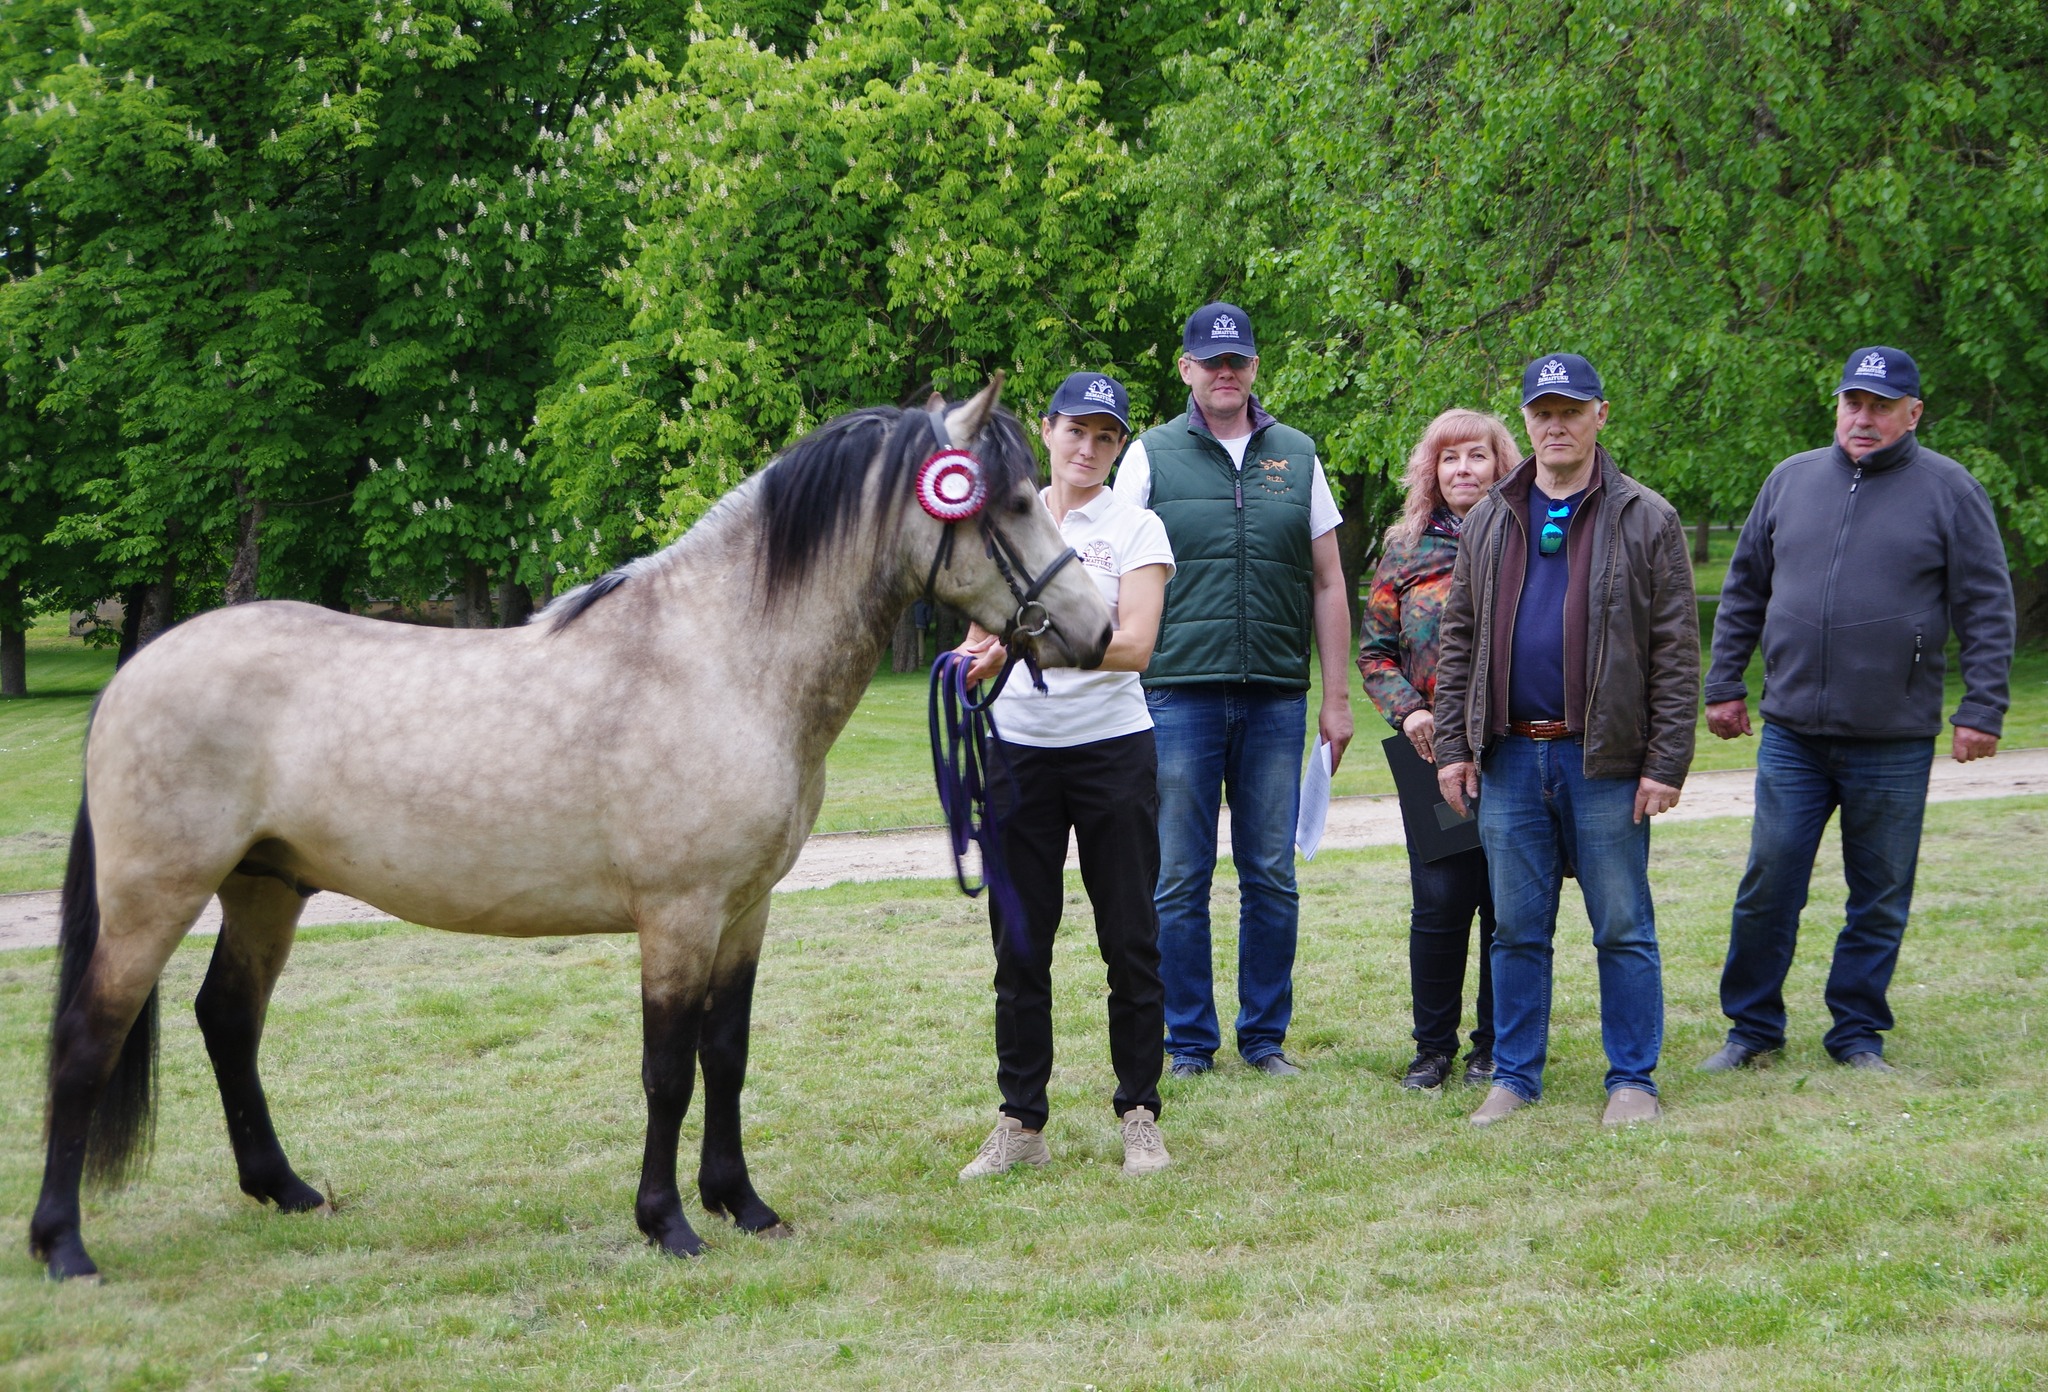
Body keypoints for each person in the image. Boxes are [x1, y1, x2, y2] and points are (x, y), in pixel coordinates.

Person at [1699, 346, 2015, 1075]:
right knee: (1768, 883)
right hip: (1792, 736)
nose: (1863, 418)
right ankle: (1752, 1029)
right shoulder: (1791, 481)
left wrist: (1985, 707)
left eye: (1880, 405)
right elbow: (1745, 588)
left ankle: (1856, 1033)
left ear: (1913, 413)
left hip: (1894, 737)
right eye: (1853, 402)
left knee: (1878, 895)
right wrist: (1724, 685)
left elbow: (1987, 608)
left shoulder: (1951, 491)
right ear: (1838, 405)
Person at [1433, 353, 1699, 1128]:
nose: (1556, 423)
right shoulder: (1491, 518)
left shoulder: (1647, 517)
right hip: (1511, 757)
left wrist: (1665, 762)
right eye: (1542, 411)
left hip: (1605, 761)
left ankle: (1632, 1081)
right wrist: (1455, 746)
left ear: (1600, 417)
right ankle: (1514, 1077)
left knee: (1621, 924)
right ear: (1526, 422)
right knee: (1517, 929)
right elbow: (1460, 642)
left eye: (1571, 410)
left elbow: (1676, 651)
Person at [1111, 303, 1355, 1078]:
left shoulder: (1299, 454)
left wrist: (1336, 698)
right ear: (1185, 369)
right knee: (1179, 876)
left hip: (1277, 698)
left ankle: (1264, 1038)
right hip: (1176, 696)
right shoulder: (1148, 456)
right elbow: (1112, 571)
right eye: (1210, 360)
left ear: (1254, 367)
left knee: (1270, 874)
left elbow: (1328, 581)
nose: (1226, 372)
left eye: (1238, 360)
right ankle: (1188, 1043)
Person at [953, 371, 1178, 1180]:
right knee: (1020, 943)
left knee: (1130, 937)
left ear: (1119, 447)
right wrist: (976, 659)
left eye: (1105, 436)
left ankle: (1140, 1113)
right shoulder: (1007, 524)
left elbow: (1135, 646)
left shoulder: (1137, 527)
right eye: (1075, 430)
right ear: (1047, 431)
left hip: (1114, 750)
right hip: (1019, 752)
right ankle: (1021, 1121)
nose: (1088, 448)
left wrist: (1024, 643)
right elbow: (986, 629)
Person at [1358, 409, 1517, 1092]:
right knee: (1442, 899)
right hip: (1431, 754)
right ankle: (1433, 1049)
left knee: (1506, 903)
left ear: (1500, 465)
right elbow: (1375, 653)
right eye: (1449, 460)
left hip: (1513, 750)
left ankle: (1495, 1045)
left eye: (1476, 457)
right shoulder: (1407, 550)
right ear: (1432, 471)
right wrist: (1410, 711)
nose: (1463, 471)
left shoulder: (1527, 540)